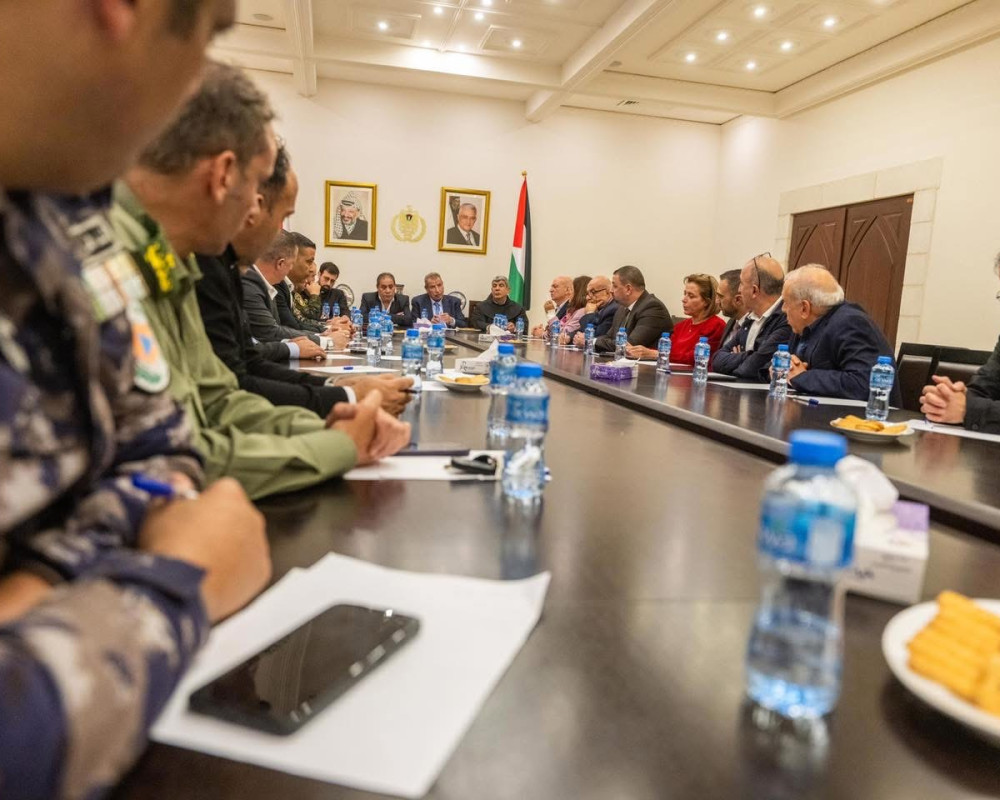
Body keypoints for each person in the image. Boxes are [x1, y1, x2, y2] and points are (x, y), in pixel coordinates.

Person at [0, 3, 273, 798]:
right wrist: (173, 582)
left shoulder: (67, 211)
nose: (193, 85)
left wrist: (38, 584)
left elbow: (160, 444)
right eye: (211, 32)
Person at [111, 64, 411, 501]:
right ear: (224, 176)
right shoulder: (114, 253)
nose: (254, 211)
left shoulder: (172, 257)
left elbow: (217, 400)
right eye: (255, 188)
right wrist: (338, 444)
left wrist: (329, 423)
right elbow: (162, 454)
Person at [195, 145, 412, 418]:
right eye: (281, 217)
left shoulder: (225, 267)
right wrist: (347, 396)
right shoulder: (220, 269)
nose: (281, 235)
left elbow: (247, 362)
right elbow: (238, 380)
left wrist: (337, 385)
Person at [781, 265, 901, 402]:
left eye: (786, 303)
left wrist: (802, 378)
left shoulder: (851, 323)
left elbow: (863, 384)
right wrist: (782, 369)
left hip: (863, 414)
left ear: (804, 308)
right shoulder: (803, 326)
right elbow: (793, 370)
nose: (783, 309)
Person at [242, 231, 333, 346]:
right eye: (291, 263)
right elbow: (270, 332)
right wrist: (327, 341)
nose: (290, 268)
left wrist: (324, 334)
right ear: (280, 263)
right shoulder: (250, 285)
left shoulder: (268, 285)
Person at [712, 254, 791, 381]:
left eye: (742, 284)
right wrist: (748, 356)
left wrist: (739, 360)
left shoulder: (786, 318)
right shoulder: (751, 318)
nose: (739, 289)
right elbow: (716, 360)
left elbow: (752, 368)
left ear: (754, 291)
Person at [625, 274, 726, 364]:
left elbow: (695, 358)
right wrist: (636, 351)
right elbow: (667, 350)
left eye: (691, 296)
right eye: (685, 294)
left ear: (707, 302)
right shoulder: (681, 326)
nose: (684, 299)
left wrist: (655, 354)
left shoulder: (716, 326)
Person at [593, 266, 673, 353]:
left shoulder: (652, 308)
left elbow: (629, 345)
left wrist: (592, 341)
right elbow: (609, 337)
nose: (611, 291)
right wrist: (593, 341)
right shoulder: (622, 308)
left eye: (615, 286)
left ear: (628, 289)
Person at [571, 275, 619, 345]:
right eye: (588, 293)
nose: (588, 298)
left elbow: (593, 336)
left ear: (607, 292)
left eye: (593, 292)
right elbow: (580, 331)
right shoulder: (601, 308)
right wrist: (569, 337)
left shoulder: (613, 309)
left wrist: (589, 313)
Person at [552, 276, 592, 341]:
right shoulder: (572, 311)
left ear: (578, 293)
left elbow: (561, 334)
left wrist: (550, 314)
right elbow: (551, 332)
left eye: (571, 290)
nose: (569, 293)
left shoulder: (581, 312)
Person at [718, 268, 749, 351]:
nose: (717, 301)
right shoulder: (731, 323)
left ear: (738, 300)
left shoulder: (754, 329)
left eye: (721, 297)